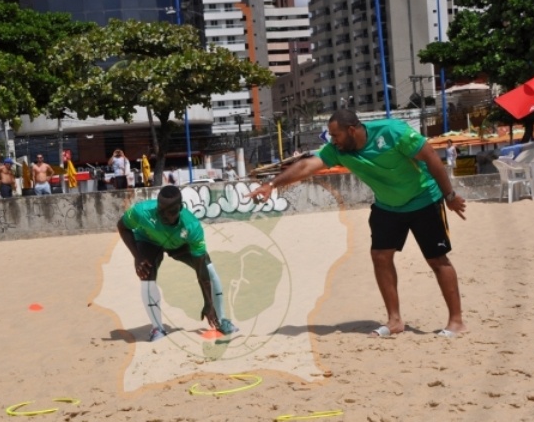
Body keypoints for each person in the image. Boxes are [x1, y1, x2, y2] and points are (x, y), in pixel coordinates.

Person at [247, 109, 467, 338]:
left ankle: (456, 321)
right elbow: (306, 166)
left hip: (424, 198)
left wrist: (449, 196)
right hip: (388, 205)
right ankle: (394, 321)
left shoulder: (392, 132)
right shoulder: (338, 150)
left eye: (336, 136)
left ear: (351, 130)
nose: (333, 141)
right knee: (380, 256)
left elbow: (431, 156)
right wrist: (272, 184)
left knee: (436, 259)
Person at [116, 185, 238, 342]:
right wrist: (137, 256)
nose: (164, 216)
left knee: (210, 270)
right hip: (149, 240)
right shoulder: (142, 211)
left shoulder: (192, 226)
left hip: (179, 245)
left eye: (170, 212)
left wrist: (208, 304)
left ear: (180, 208)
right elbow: (122, 226)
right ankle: (157, 328)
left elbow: (201, 272)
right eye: (160, 211)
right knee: (146, 277)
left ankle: (221, 320)